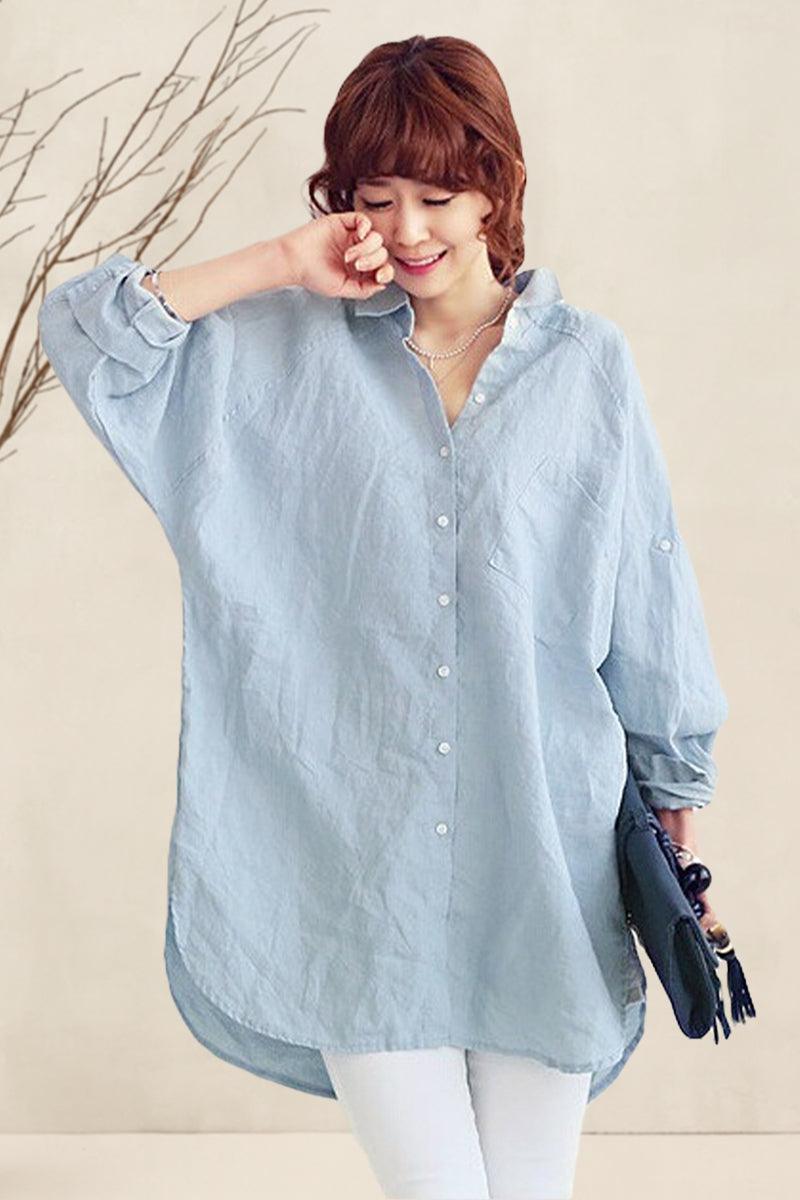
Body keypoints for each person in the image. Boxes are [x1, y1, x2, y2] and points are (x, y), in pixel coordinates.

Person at [37, 33, 729, 1200]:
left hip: (544, 859)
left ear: (494, 188)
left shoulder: (585, 369)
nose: (406, 229)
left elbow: (649, 605)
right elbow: (85, 335)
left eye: (436, 195)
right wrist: (279, 260)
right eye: (374, 196)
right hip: (351, 876)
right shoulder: (270, 356)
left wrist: (677, 835)